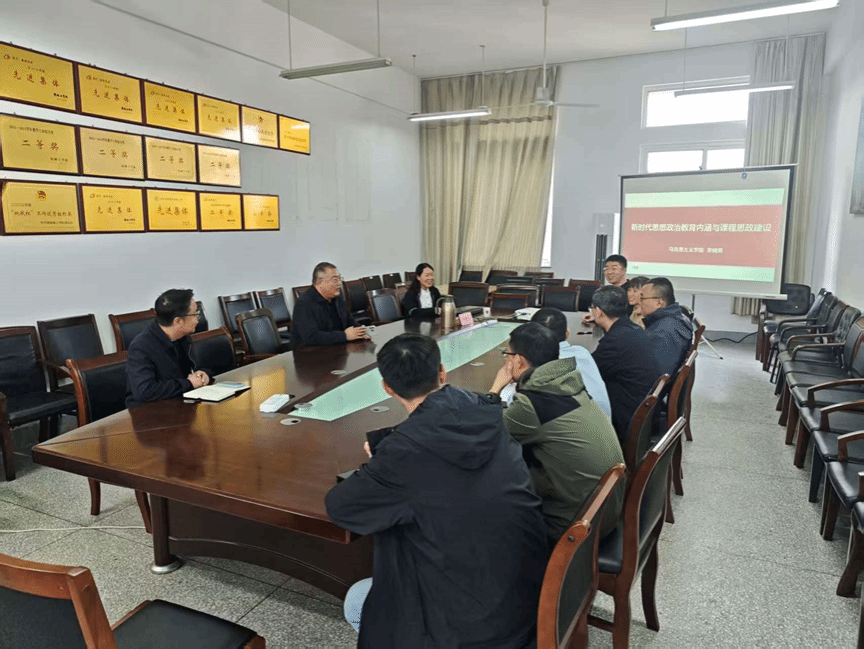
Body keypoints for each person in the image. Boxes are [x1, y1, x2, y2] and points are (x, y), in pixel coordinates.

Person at [325, 333, 548, 649]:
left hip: (475, 629)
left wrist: (384, 459)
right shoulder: (486, 413)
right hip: (528, 593)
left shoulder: (404, 455)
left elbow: (340, 506)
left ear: (387, 388)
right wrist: (390, 450)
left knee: (357, 602)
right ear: (442, 372)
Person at [487, 323, 624, 545]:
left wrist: (495, 389)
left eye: (507, 355)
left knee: (488, 498)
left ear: (518, 360)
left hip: (574, 528)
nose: (506, 361)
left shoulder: (533, 403)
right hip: (604, 511)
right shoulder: (569, 384)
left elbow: (485, 430)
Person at [589, 286, 663, 441]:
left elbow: (588, 373)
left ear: (598, 312)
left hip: (629, 418)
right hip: (644, 409)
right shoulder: (632, 329)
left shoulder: (615, 341)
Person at [126, 288, 210, 408]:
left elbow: (193, 367)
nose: (197, 319)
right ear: (178, 321)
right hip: (149, 413)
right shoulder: (141, 347)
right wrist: (188, 383)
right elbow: (145, 390)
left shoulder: (183, 337)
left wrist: (201, 374)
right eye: (195, 314)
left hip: (180, 404)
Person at [529, 307, 612, 418]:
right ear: (567, 333)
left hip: (578, 425)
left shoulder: (542, 362)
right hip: (605, 423)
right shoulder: (582, 352)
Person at [290, 262, 370, 347]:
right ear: (320, 282)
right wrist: (344, 336)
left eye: (340, 279)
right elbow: (311, 337)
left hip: (336, 347)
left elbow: (348, 321)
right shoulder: (304, 304)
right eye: (335, 280)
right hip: (310, 351)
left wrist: (360, 331)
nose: (339, 283)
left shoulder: (336, 298)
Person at [641, 277, 694, 378]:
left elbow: (653, 376)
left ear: (659, 303)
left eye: (642, 298)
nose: (640, 303)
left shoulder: (662, 333)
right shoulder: (675, 319)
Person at [582, 254, 629, 326]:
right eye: (606, 269)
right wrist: (595, 316)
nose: (609, 272)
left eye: (614, 269)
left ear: (624, 270)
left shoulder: (630, 291)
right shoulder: (606, 291)